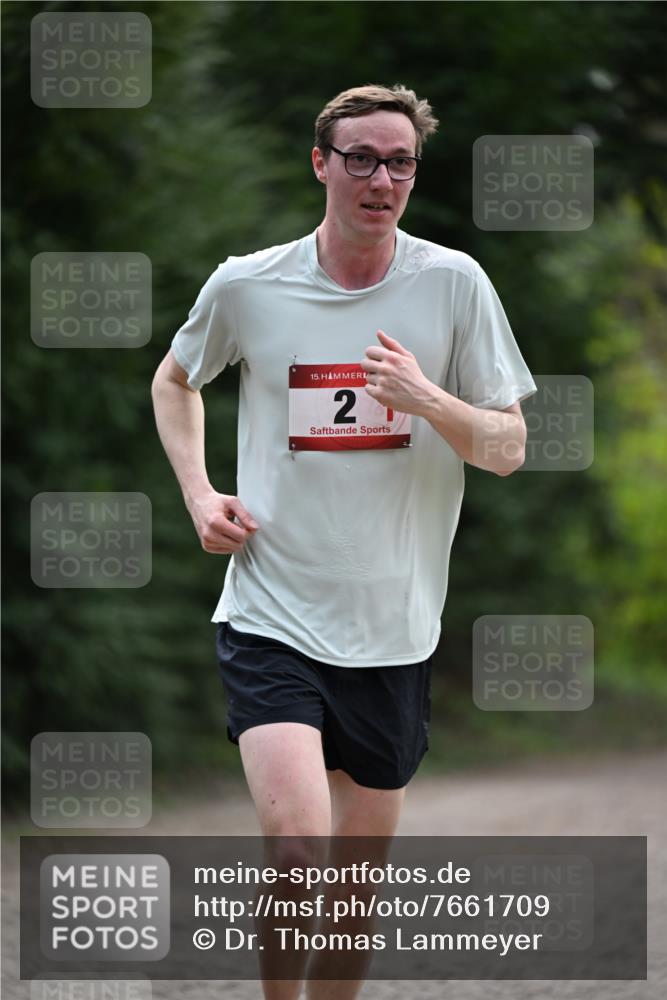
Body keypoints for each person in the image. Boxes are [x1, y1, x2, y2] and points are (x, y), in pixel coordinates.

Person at [151, 83, 537, 999]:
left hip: (394, 632)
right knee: (295, 851)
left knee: (352, 889)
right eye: (359, 157)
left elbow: (510, 449)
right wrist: (201, 494)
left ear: (414, 173)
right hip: (271, 611)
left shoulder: (452, 284)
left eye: (398, 161)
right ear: (320, 163)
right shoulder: (248, 283)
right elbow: (175, 381)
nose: (381, 178)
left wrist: (428, 400)